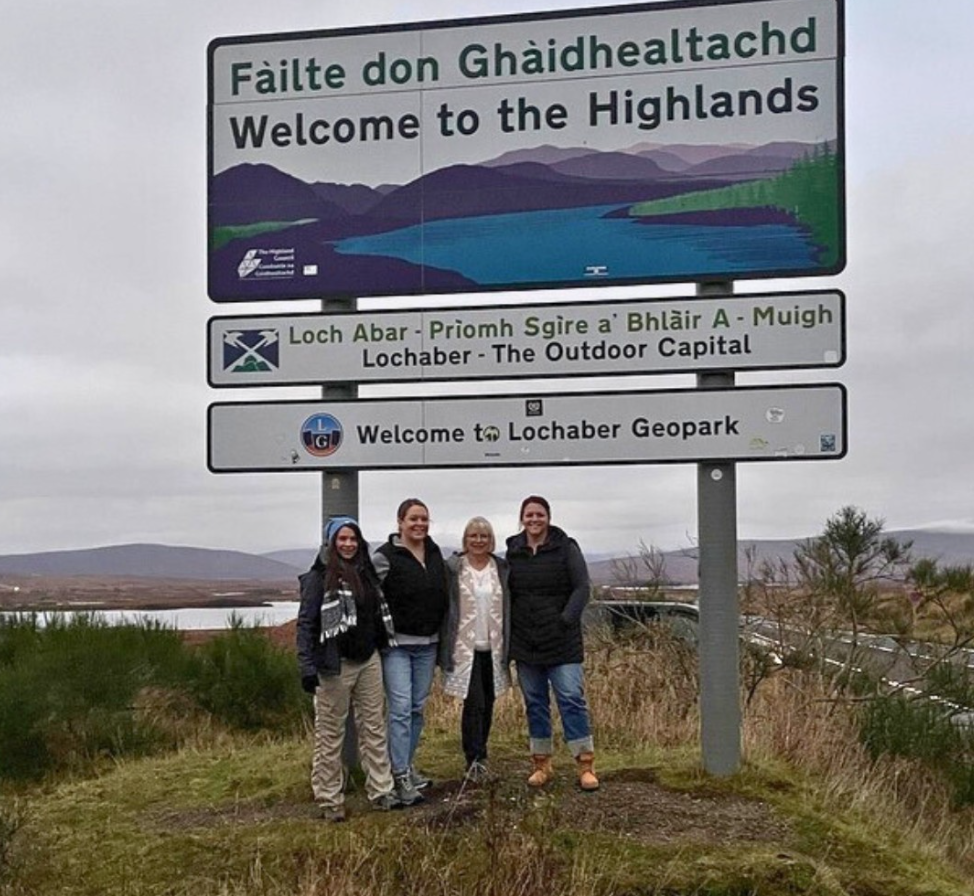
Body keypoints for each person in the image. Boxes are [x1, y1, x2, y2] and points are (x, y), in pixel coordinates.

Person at [296, 516, 401, 821]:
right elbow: (306, 624)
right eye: (342, 539)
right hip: (334, 665)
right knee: (330, 734)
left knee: (374, 727)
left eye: (353, 538)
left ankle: (381, 790)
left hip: (368, 659)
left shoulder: (367, 574)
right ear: (331, 543)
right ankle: (329, 799)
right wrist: (307, 666)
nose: (348, 544)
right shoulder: (317, 579)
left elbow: (377, 615)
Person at [505, 495, 599, 791]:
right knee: (535, 703)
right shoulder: (513, 551)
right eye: (529, 515)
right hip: (526, 641)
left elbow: (582, 588)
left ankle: (585, 764)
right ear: (522, 518)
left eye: (539, 514)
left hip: (562, 641)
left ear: (548, 517)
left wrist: (565, 621)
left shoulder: (566, 548)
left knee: (571, 699)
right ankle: (541, 764)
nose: (534, 519)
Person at [372, 498, 449, 806]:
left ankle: (406, 765)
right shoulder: (384, 557)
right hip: (397, 647)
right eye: (413, 519)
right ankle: (399, 774)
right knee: (401, 709)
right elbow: (368, 594)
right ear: (400, 522)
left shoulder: (434, 552)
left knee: (416, 708)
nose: (419, 524)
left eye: (424, 519)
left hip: (428, 644)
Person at [442, 516, 512, 781]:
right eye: (473, 536)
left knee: (489, 702)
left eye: (484, 536)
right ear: (465, 539)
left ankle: (481, 756)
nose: (479, 540)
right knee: (474, 703)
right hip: (464, 647)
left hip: (493, 646)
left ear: (491, 540)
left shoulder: (501, 568)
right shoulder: (454, 568)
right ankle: (473, 759)